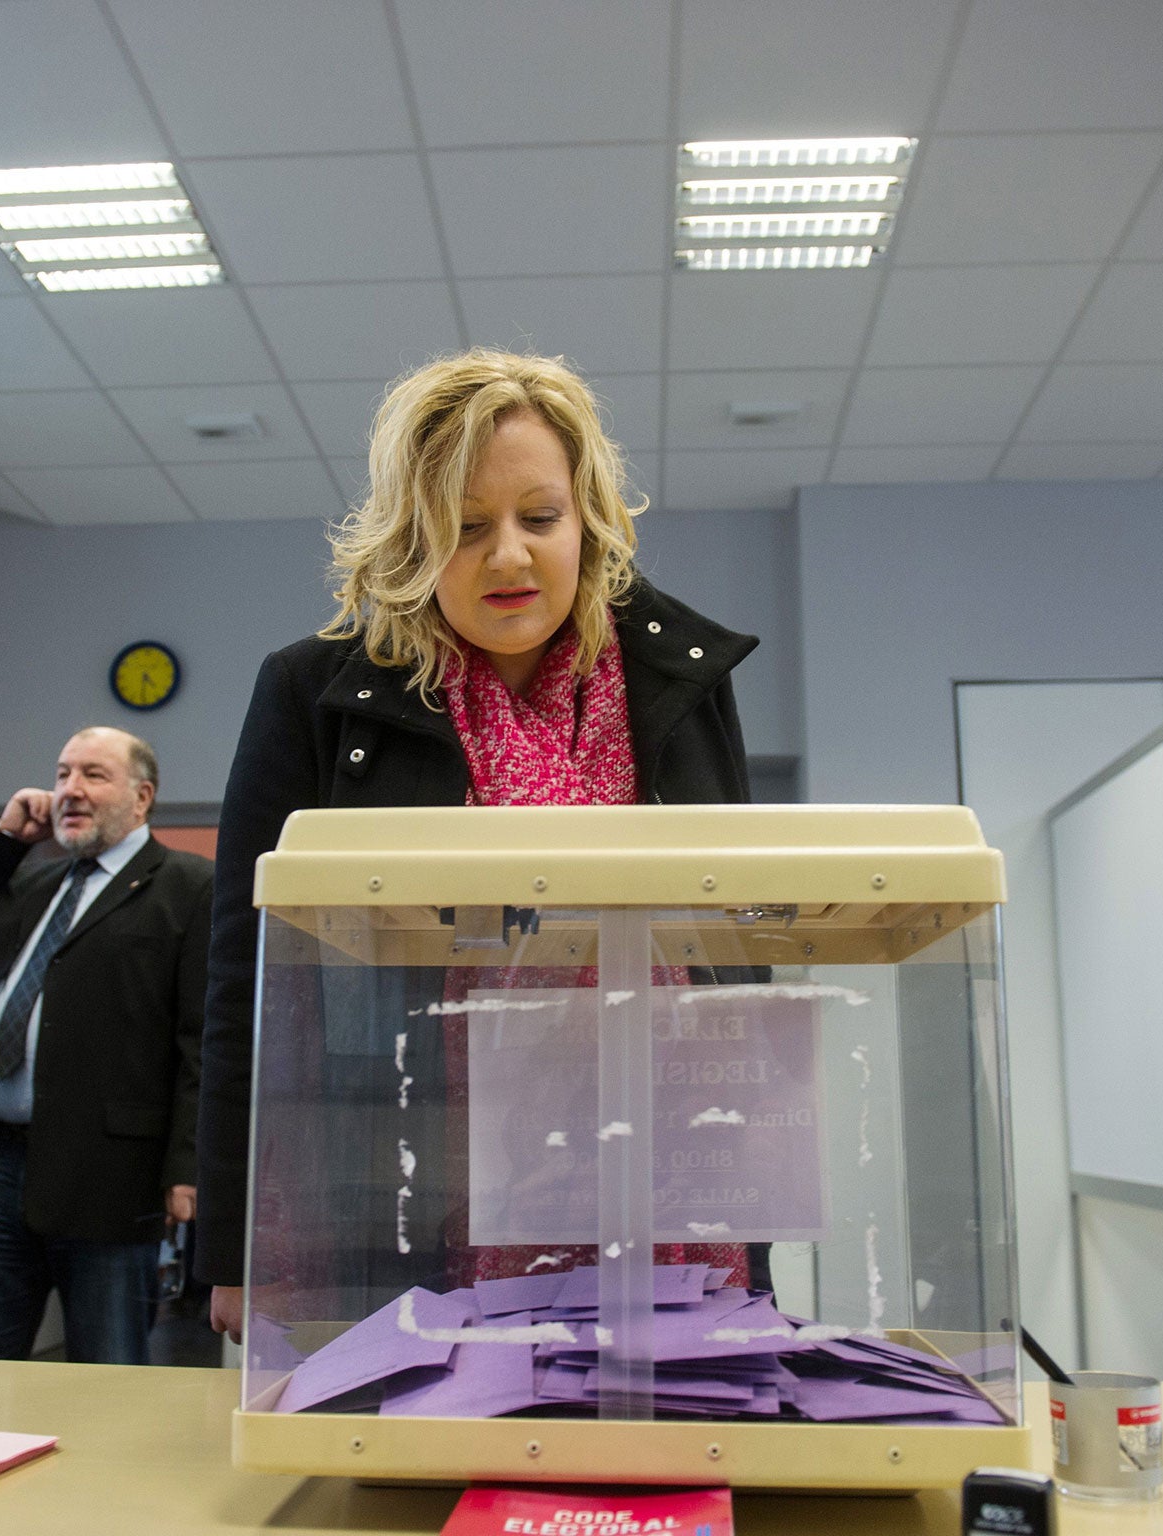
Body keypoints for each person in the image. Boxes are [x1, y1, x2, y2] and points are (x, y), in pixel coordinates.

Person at [197, 348, 759, 1341]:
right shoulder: (315, 694)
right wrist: (241, 1242)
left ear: (586, 517)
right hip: (407, 1177)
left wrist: (754, 1221)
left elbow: (735, 957)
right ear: (407, 538)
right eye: (461, 529)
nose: (506, 556)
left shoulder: (679, 683)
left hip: (669, 1177)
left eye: (537, 519)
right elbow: (246, 979)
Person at [0, 728, 211, 1364]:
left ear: (142, 798)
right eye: (62, 774)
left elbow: (201, 1040)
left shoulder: (190, 886)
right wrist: (4, 841)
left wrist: (188, 1165)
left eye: (93, 775)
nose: (69, 790)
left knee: (106, 1366)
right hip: (1, 1161)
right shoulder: (34, 884)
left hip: (113, 1172)